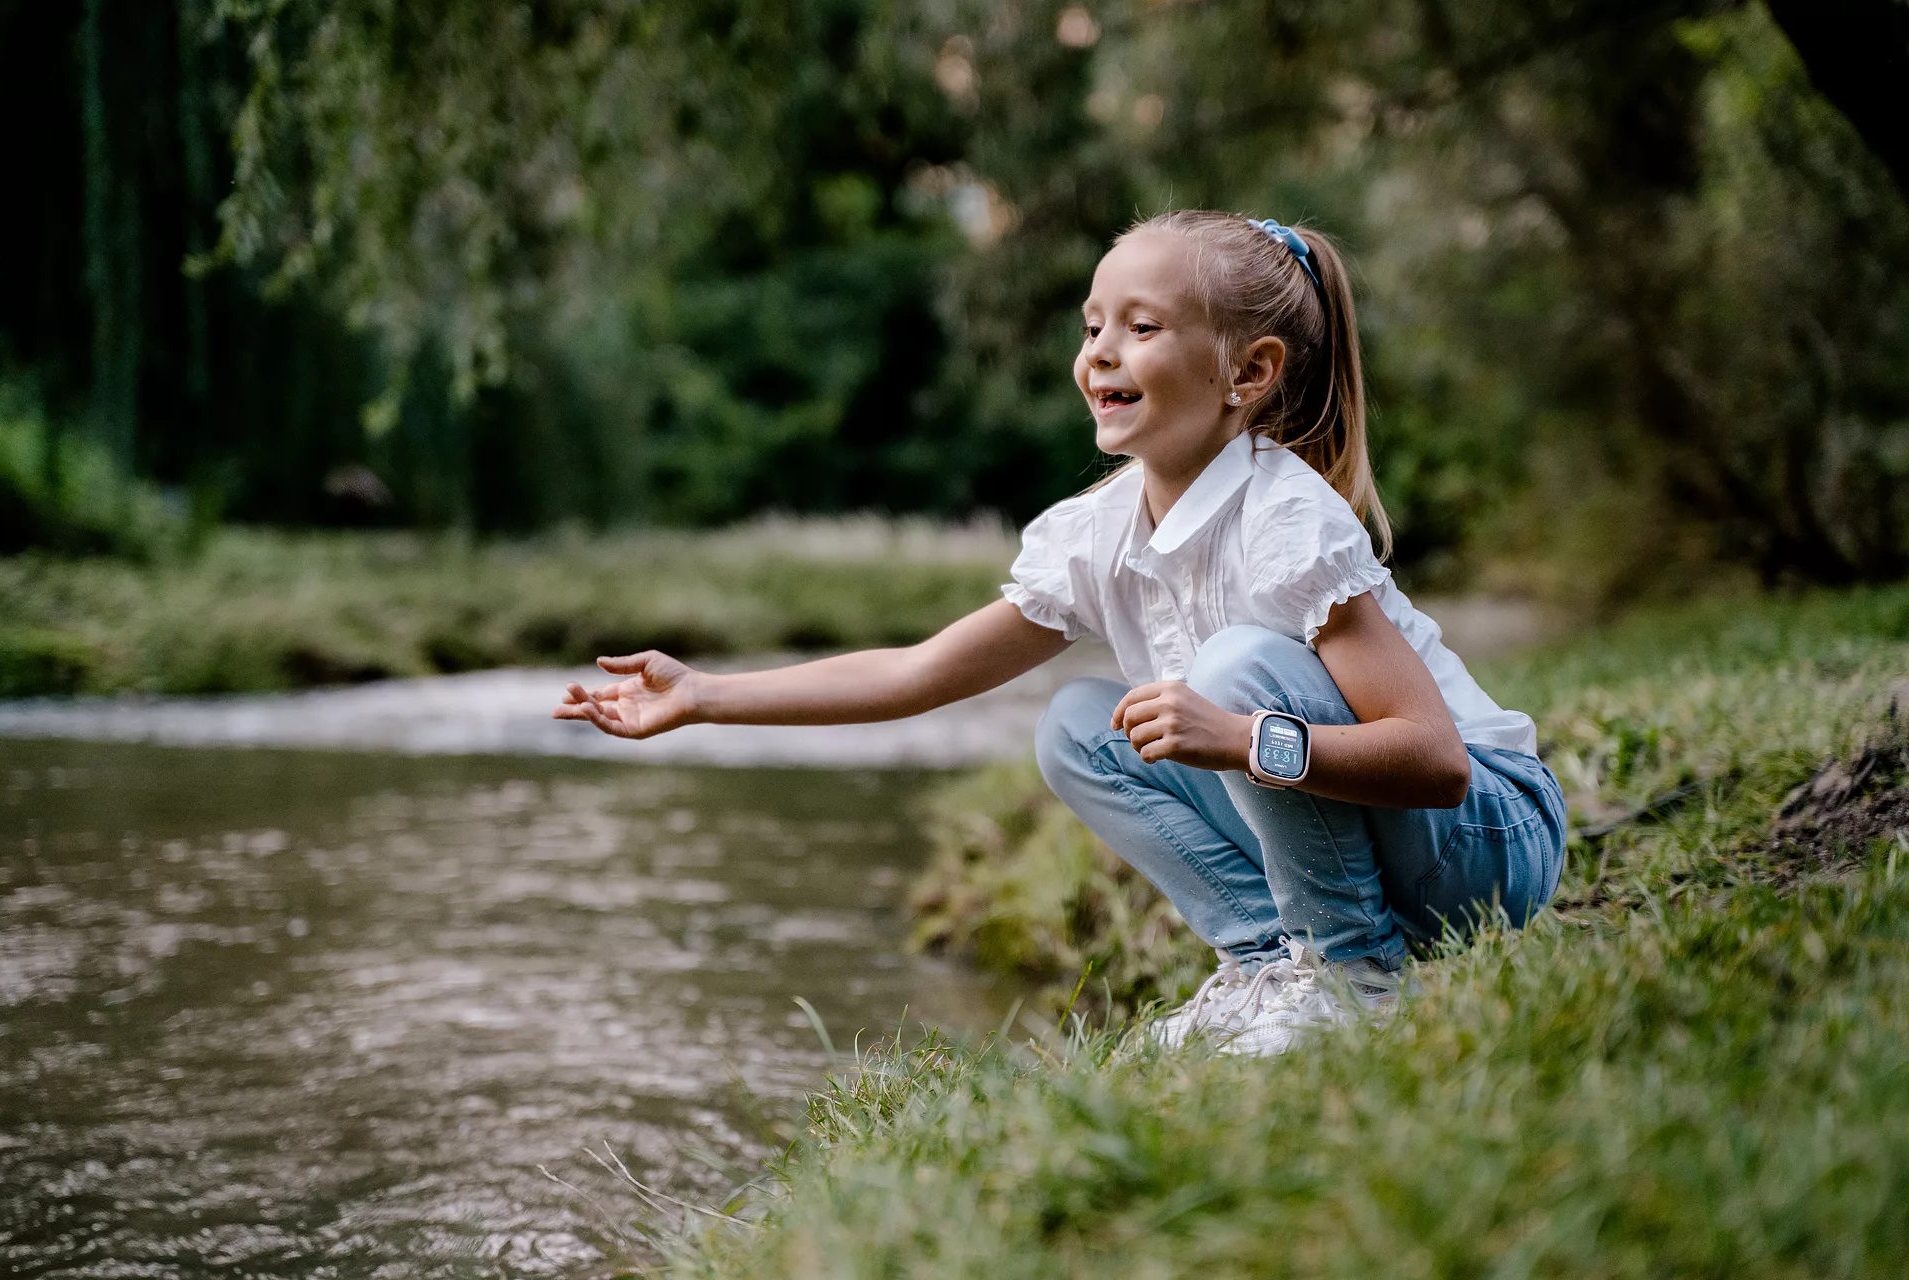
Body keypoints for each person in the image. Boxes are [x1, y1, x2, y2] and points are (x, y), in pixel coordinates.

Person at [555, 210, 1567, 1057]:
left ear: (1247, 372)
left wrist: (1244, 737)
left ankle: (1354, 978)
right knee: (1079, 724)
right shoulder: (1101, 534)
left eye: (1141, 327)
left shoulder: (1286, 519)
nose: (1100, 354)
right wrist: (705, 695)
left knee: (1232, 673)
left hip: (1487, 836)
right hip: (1402, 840)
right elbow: (919, 671)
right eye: (1092, 328)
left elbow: (1434, 761)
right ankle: (1271, 964)